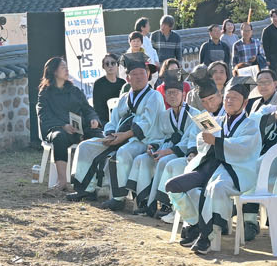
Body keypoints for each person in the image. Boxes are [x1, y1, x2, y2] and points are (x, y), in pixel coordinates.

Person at [167, 79, 264, 254]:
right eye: (227, 97)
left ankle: (207, 236)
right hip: (208, 168)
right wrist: (206, 139)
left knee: (216, 188)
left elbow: (245, 148)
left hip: (234, 172)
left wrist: (217, 142)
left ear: (245, 103)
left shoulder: (251, 125)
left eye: (235, 98)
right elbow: (201, 143)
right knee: (173, 186)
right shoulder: (216, 120)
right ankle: (195, 223)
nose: (229, 101)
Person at [70, 55, 166, 203]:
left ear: (148, 75)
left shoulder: (155, 96)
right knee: (85, 146)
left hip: (143, 140)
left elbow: (147, 124)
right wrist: (110, 135)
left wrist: (124, 136)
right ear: (128, 78)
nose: (139, 77)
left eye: (142, 73)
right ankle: (86, 189)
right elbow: (113, 120)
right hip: (118, 138)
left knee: (122, 153)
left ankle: (118, 197)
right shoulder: (124, 98)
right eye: (134, 74)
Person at [139, 77, 204, 219]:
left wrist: (167, 151)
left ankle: (166, 203)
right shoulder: (164, 115)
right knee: (143, 159)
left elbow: (190, 140)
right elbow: (159, 135)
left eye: (176, 92)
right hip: (167, 148)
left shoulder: (195, 114)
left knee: (164, 161)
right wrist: (153, 146)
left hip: (184, 152)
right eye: (169, 93)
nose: (172, 96)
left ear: (184, 94)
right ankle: (145, 200)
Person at [36, 57, 96, 189]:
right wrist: (63, 125)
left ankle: (95, 182)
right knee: (59, 137)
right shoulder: (45, 93)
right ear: (54, 71)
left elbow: (88, 109)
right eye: (63, 67)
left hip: (78, 129)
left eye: (67, 67)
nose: (67, 70)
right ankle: (62, 180)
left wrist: (93, 119)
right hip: (56, 128)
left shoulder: (74, 90)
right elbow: (44, 114)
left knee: (97, 135)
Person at [89, 52, 123, 123]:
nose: (110, 66)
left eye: (113, 63)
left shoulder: (122, 82)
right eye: (107, 64)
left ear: (117, 65)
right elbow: (97, 107)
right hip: (105, 120)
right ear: (103, 67)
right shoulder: (98, 83)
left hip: (121, 119)